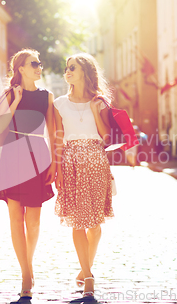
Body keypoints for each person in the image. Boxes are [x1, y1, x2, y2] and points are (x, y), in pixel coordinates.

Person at [0, 48, 57, 302]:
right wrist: (14, 101)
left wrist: (54, 163)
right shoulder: (6, 95)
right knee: (16, 217)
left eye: (39, 63)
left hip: (38, 155)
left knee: (34, 220)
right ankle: (26, 274)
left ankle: (29, 265)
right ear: (21, 69)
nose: (39, 67)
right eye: (33, 63)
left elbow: (53, 132)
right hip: (12, 154)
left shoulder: (47, 97)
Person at [53, 53, 114, 300]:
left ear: (85, 73)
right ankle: (88, 275)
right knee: (77, 222)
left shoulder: (99, 103)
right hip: (71, 164)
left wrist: (95, 110)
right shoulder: (58, 103)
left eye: (72, 68)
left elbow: (108, 138)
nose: (67, 72)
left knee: (96, 224)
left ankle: (84, 266)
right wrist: (56, 170)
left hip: (97, 161)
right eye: (66, 68)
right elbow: (57, 140)